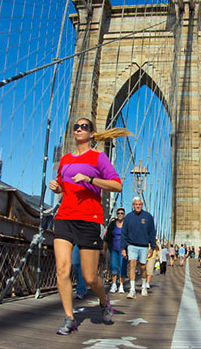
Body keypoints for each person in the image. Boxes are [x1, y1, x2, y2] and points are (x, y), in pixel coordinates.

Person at [49, 118, 130, 335]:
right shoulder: (65, 159)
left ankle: (104, 301)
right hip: (64, 216)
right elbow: (62, 186)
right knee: (62, 269)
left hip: (89, 219)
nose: (78, 129)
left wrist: (91, 180)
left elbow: (117, 185)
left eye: (84, 126)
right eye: (76, 126)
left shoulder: (98, 157)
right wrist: (56, 187)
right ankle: (69, 318)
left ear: (92, 133)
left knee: (90, 277)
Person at [121, 196, 157, 299]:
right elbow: (124, 233)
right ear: (133, 205)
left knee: (143, 267)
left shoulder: (148, 217)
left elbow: (152, 232)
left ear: (142, 205)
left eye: (140, 204)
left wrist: (152, 247)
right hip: (132, 245)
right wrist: (123, 248)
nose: (138, 206)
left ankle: (144, 286)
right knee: (132, 265)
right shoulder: (128, 217)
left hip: (144, 246)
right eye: (136, 204)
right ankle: (132, 289)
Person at [103, 207, 128, 294]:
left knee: (122, 267)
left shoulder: (126, 224)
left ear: (124, 215)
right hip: (113, 248)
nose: (120, 215)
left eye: (122, 213)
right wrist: (104, 249)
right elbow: (107, 237)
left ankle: (121, 285)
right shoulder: (113, 224)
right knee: (113, 267)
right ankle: (114, 284)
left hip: (123, 249)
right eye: (118, 213)